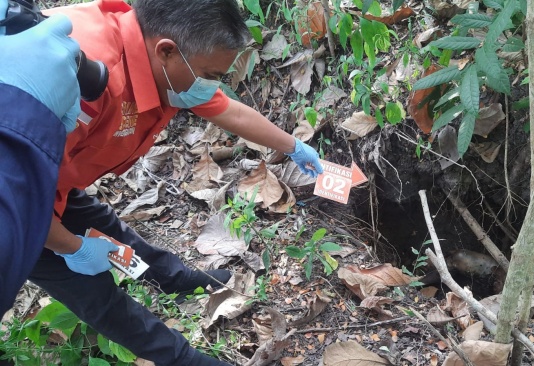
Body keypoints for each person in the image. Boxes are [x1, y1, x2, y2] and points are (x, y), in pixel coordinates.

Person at [27, 0, 324, 365]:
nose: (212, 85)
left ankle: (175, 279)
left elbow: (226, 108)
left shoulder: (164, 61)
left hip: (51, 176)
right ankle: (185, 360)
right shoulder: (79, 81)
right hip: (16, 200)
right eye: (210, 74)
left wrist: (293, 146)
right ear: (166, 51)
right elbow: (14, 200)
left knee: (104, 226)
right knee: (96, 295)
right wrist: (72, 247)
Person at [0, 0, 81, 314]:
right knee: (97, 298)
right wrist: (19, 111)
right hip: (40, 217)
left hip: (60, 192)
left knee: (105, 224)